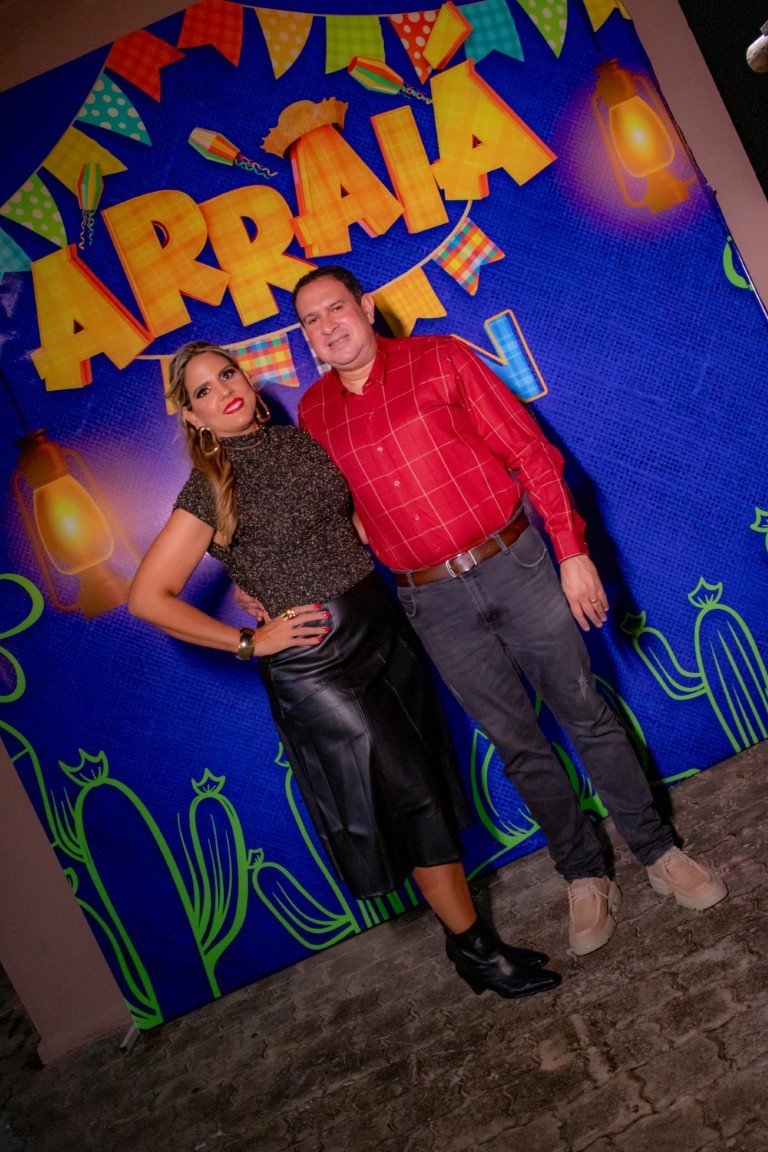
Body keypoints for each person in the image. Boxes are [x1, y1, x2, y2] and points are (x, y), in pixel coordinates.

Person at [286, 266, 728, 958]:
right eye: (310, 320)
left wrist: (572, 552)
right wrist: (268, 581)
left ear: (365, 307)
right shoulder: (314, 412)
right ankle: (583, 873)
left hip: (514, 564)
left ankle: (656, 849)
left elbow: (531, 454)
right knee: (517, 744)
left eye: (335, 308)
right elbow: (327, 515)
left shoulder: (441, 357)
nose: (326, 326)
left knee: (585, 714)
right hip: (431, 600)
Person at [128, 340, 560, 1001]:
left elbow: (355, 523)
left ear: (247, 378)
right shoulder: (209, 487)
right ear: (193, 417)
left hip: (382, 629)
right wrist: (249, 642)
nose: (224, 391)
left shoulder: (301, 443)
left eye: (227, 374)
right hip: (317, 663)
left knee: (428, 781)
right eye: (204, 391)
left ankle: (467, 942)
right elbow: (147, 597)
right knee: (411, 795)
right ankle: (477, 952)